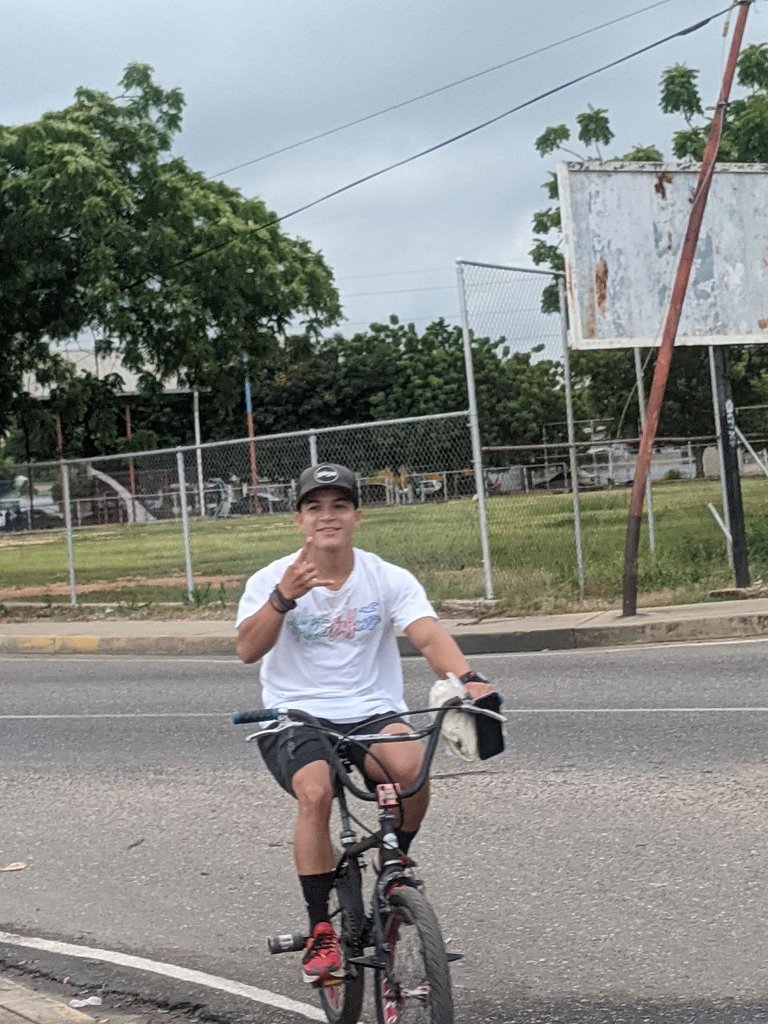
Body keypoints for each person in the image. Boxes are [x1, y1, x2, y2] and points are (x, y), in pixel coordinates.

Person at [235, 462, 493, 985]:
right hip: (294, 713)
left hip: (369, 710)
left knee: (413, 770)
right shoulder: (270, 579)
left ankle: (393, 870)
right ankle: (320, 933)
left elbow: (425, 634)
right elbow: (247, 649)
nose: (326, 517)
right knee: (316, 790)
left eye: (338, 506)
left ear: (357, 515)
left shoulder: (387, 577)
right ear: (299, 520)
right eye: (314, 507)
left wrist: (467, 677)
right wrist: (283, 599)